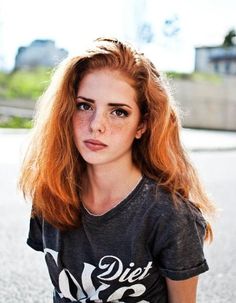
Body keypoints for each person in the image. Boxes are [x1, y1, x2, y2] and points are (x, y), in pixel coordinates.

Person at [19, 37, 216, 303]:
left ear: (142, 125)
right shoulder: (50, 193)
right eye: (85, 105)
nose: (96, 125)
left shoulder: (169, 216)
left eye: (119, 112)